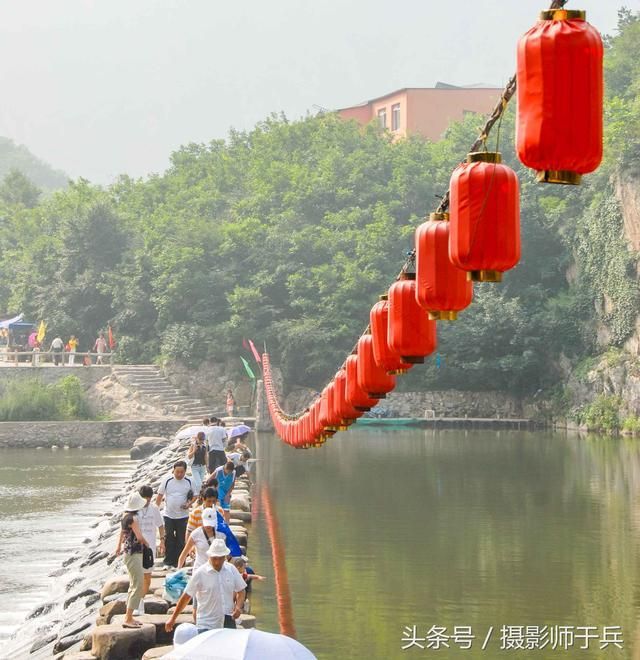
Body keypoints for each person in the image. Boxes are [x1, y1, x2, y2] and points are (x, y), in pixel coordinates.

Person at [165, 538, 246, 634]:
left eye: (220, 558)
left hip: (227, 620)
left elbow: (241, 591)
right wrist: (173, 618)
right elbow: (186, 596)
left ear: (225, 557)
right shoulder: (200, 573)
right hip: (206, 623)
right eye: (214, 558)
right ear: (209, 556)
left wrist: (238, 607)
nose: (217, 562)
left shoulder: (231, 570)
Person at [114, 491, 150, 628]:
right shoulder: (133, 519)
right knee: (138, 584)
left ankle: (128, 616)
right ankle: (128, 618)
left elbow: (121, 534)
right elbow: (139, 537)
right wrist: (148, 545)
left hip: (128, 553)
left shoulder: (125, 517)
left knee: (133, 584)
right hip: (134, 553)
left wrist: (118, 547)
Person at [156, 461, 194, 568]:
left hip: (183, 515)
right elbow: (159, 496)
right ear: (173, 470)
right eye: (177, 472)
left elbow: (195, 495)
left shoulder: (189, 481)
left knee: (181, 539)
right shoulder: (167, 480)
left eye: (182, 472)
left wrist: (189, 503)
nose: (179, 474)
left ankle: (179, 562)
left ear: (185, 471)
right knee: (169, 538)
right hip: (168, 514)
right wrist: (155, 510)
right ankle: (168, 561)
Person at [137, 485, 165, 612]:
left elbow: (160, 526)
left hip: (149, 548)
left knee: (147, 577)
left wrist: (162, 541)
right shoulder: (134, 509)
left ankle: (140, 600)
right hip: (136, 548)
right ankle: (135, 602)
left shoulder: (154, 509)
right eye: (144, 500)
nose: (146, 502)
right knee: (137, 576)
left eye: (148, 500)